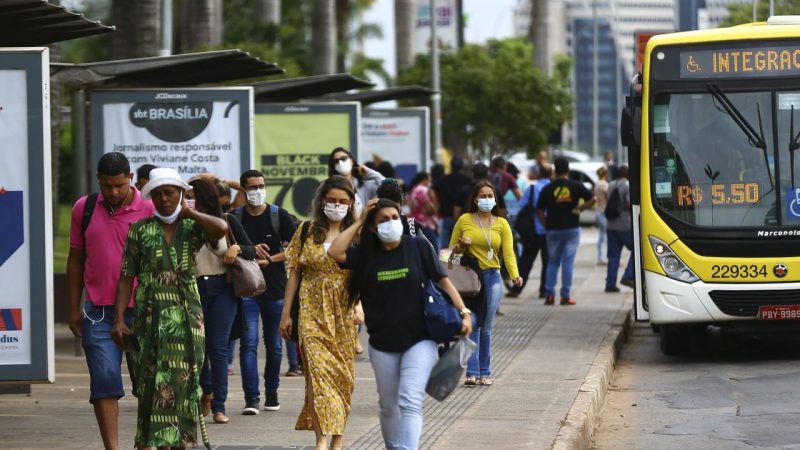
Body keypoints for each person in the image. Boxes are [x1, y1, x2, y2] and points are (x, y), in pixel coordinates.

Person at [327, 198, 473, 450]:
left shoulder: (417, 246)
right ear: (373, 228)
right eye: (383, 220)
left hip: (420, 339)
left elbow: (442, 280)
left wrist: (464, 311)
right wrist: (360, 220)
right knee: (388, 404)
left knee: (409, 400)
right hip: (383, 344)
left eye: (395, 218)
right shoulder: (365, 255)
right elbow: (334, 252)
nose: (391, 223)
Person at [110, 167, 228, 449]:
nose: (164, 199)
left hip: (186, 314)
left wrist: (192, 212)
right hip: (149, 315)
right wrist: (118, 320)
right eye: (158, 194)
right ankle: (148, 442)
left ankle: (180, 443)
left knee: (183, 380)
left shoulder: (192, 228)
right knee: (150, 382)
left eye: (170, 193)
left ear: (181, 194)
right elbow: (126, 278)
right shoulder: (140, 230)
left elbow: (221, 229)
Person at [67, 152, 154, 450]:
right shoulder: (85, 208)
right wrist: (73, 308)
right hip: (98, 311)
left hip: (144, 308)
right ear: (98, 181)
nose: (114, 192)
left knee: (150, 383)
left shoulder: (150, 208)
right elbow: (76, 259)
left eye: (119, 185)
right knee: (104, 383)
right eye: (107, 186)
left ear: (130, 178)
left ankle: (145, 442)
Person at [279, 175, 359, 450]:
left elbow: (364, 275)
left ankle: (338, 438)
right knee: (316, 373)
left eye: (342, 201)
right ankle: (321, 439)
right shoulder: (305, 231)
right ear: (321, 201)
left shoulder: (357, 235)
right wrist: (286, 313)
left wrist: (360, 306)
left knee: (341, 376)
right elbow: (294, 274)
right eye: (331, 200)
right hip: (311, 308)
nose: (336, 206)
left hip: (344, 312)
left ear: (350, 204)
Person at [188, 179, 256, 424]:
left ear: (204, 197)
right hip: (192, 289)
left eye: (192, 196)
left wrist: (235, 249)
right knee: (197, 349)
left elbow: (250, 250)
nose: (187, 201)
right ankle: (207, 390)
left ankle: (219, 406)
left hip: (221, 289)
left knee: (218, 349)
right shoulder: (183, 223)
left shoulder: (226, 221)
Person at [234, 169, 297, 414]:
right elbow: (226, 248)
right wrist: (247, 249)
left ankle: (272, 392)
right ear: (243, 190)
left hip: (275, 290)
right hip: (247, 290)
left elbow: (295, 249)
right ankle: (252, 398)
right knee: (248, 344)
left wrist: (271, 260)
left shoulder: (278, 215)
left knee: (274, 345)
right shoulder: (235, 217)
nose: (257, 191)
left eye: (261, 186)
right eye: (252, 187)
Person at [450, 180, 522, 386]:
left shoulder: (501, 223)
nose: (487, 200)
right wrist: (461, 247)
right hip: (470, 279)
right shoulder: (464, 220)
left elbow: (508, 252)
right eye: (483, 196)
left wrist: (515, 275)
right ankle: (472, 373)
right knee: (473, 324)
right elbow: (449, 253)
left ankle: (485, 371)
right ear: (475, 199)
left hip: (492, 277)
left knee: (486, 325)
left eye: (491, 196)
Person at [536, 158, 596, 305]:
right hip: (571, 229)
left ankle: (549, 295)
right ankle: (565, 296)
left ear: (555, 171)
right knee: (567, 263)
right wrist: (579, 209)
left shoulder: (548, 188)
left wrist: (545, 223)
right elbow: (593, 199)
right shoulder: (576, 185)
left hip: (553, 230)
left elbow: (539, 209)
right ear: (568, 170)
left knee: (552, 262)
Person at [507, 162, 552, 299]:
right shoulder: (552, 188)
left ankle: (516, 289)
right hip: (549, 231)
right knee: (548, 262)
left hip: (532, 232)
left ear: (539, 174)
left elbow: (522, 205)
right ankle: (544, 290)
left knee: (526, 260)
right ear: (551, 174)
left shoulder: (532, 188)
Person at [328, 147, 385, 217]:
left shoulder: (365, 186)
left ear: (351, 161)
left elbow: (390, 186)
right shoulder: (329, 187)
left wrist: (370, 172)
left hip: (364, 226)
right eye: (336, 161)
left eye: (343, 159)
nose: (340, 162)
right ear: (333, 166)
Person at [605, 164, 635, 292]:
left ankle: (610, 284)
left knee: (613, 255)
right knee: (638, 249)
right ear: (627, 174)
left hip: (611, 225)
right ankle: (628, 276)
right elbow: (628, 203)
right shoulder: (627, 185)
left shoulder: (611, 184)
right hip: (624, 225)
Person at [432, 156, 472, 248]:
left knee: (445, 244)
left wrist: (437, 204)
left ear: (451, 166)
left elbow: (432, 190)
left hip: (446, 216)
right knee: (462, 243)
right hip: (463, 217)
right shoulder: (467, 180)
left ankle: (445, 261)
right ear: (462, 166)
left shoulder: (443, 179)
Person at [407, 171, 440, 249]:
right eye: (429, 180)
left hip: (416, 224)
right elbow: (430, 209)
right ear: (424, 179)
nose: (430, 182)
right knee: (433, 252)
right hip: (426, 225)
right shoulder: (423, 190)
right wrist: (435, 205)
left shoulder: (413, 190)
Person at [594, 165, 610, 265]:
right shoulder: (604, 184)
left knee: (601, 235)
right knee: (605, 235)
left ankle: (600, 257)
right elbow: (608, 196)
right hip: (604, 210)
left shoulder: (597, 183)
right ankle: (603, 258)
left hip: (598, 209)